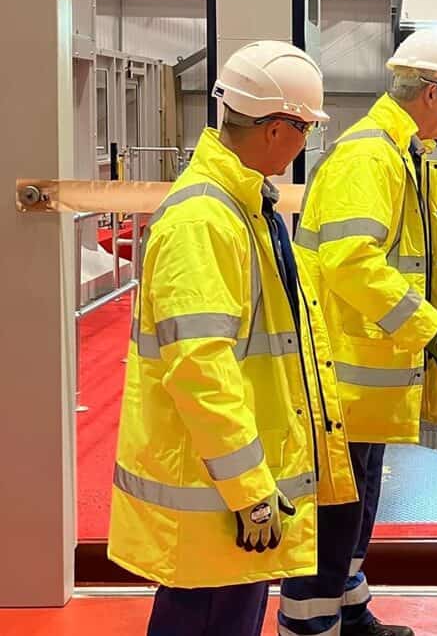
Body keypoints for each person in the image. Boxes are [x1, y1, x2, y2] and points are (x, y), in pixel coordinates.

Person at [108, 40, 357, 636]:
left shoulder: (244, 209)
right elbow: (201, 369)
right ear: (277, 129)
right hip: (216, 491)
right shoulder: (205, 222)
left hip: (226, 485)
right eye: (304, 131)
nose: (304, 146)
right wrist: (249, 491)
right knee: (207, 618)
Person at [279, 28, 437, 636]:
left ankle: (349, 613)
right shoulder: (370, 157)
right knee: (336, 508)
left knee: (359, 503)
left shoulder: (402, 152)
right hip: (344, 371)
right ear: (431, 92)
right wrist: (428, 329)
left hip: (370, 373)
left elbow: (411, 241)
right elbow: (354, 260)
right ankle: (310, 625)